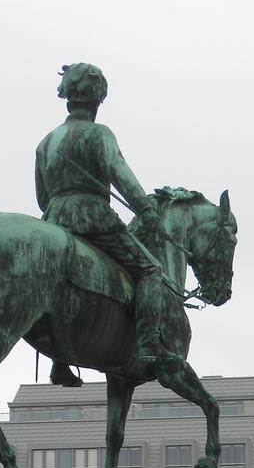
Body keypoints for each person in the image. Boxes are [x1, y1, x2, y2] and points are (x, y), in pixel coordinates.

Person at [35, 63, 177, 384]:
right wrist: (146, 210)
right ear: (97, 100)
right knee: (150, 270)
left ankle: (58, 362)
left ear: (68, 97)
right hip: (93, 218)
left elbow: (42, 196)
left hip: (55, 221)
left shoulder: (46, 142)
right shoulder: (100, 134)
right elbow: (120, 173)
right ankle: (148, 344)